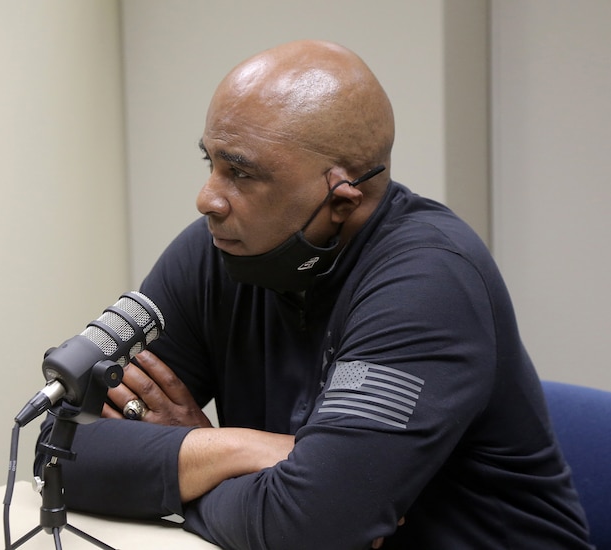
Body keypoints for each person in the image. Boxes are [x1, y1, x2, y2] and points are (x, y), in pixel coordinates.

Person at [35, 40, 592, 549]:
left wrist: (186, 470)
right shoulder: (217, 253)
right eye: (212, 162)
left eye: (242, 174)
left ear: (342, 201)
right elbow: (59, 450)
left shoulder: (428, 281)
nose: (208, 198)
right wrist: (232, 449)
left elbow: (311, 528)